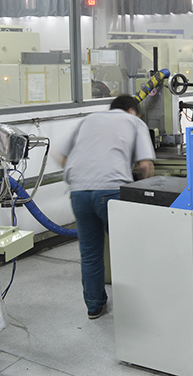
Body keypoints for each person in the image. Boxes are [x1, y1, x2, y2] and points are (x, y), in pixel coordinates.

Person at [57, 95, 155, 319]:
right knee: (126, 250)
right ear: (132, 111)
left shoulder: (88, 120)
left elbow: (60, 157)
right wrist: (143, 186)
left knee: (90, 253)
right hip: (111, 191)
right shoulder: (134, 122)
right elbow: (145, 165)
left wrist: (81, 178)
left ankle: (94, 306)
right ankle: (134, 306)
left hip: (79, 193)